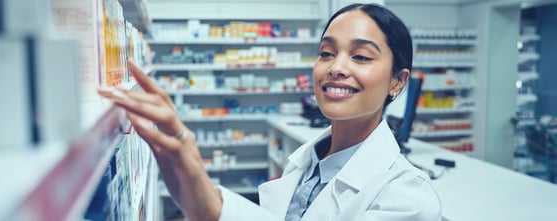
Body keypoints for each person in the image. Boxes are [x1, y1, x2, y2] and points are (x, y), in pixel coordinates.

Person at [99, 3, 442, 221]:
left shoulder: (407, 199)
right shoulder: (307, 164)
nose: (336, 67)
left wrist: (212, 208)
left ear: (398, 81)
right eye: (326, 53)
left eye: (361, 57)